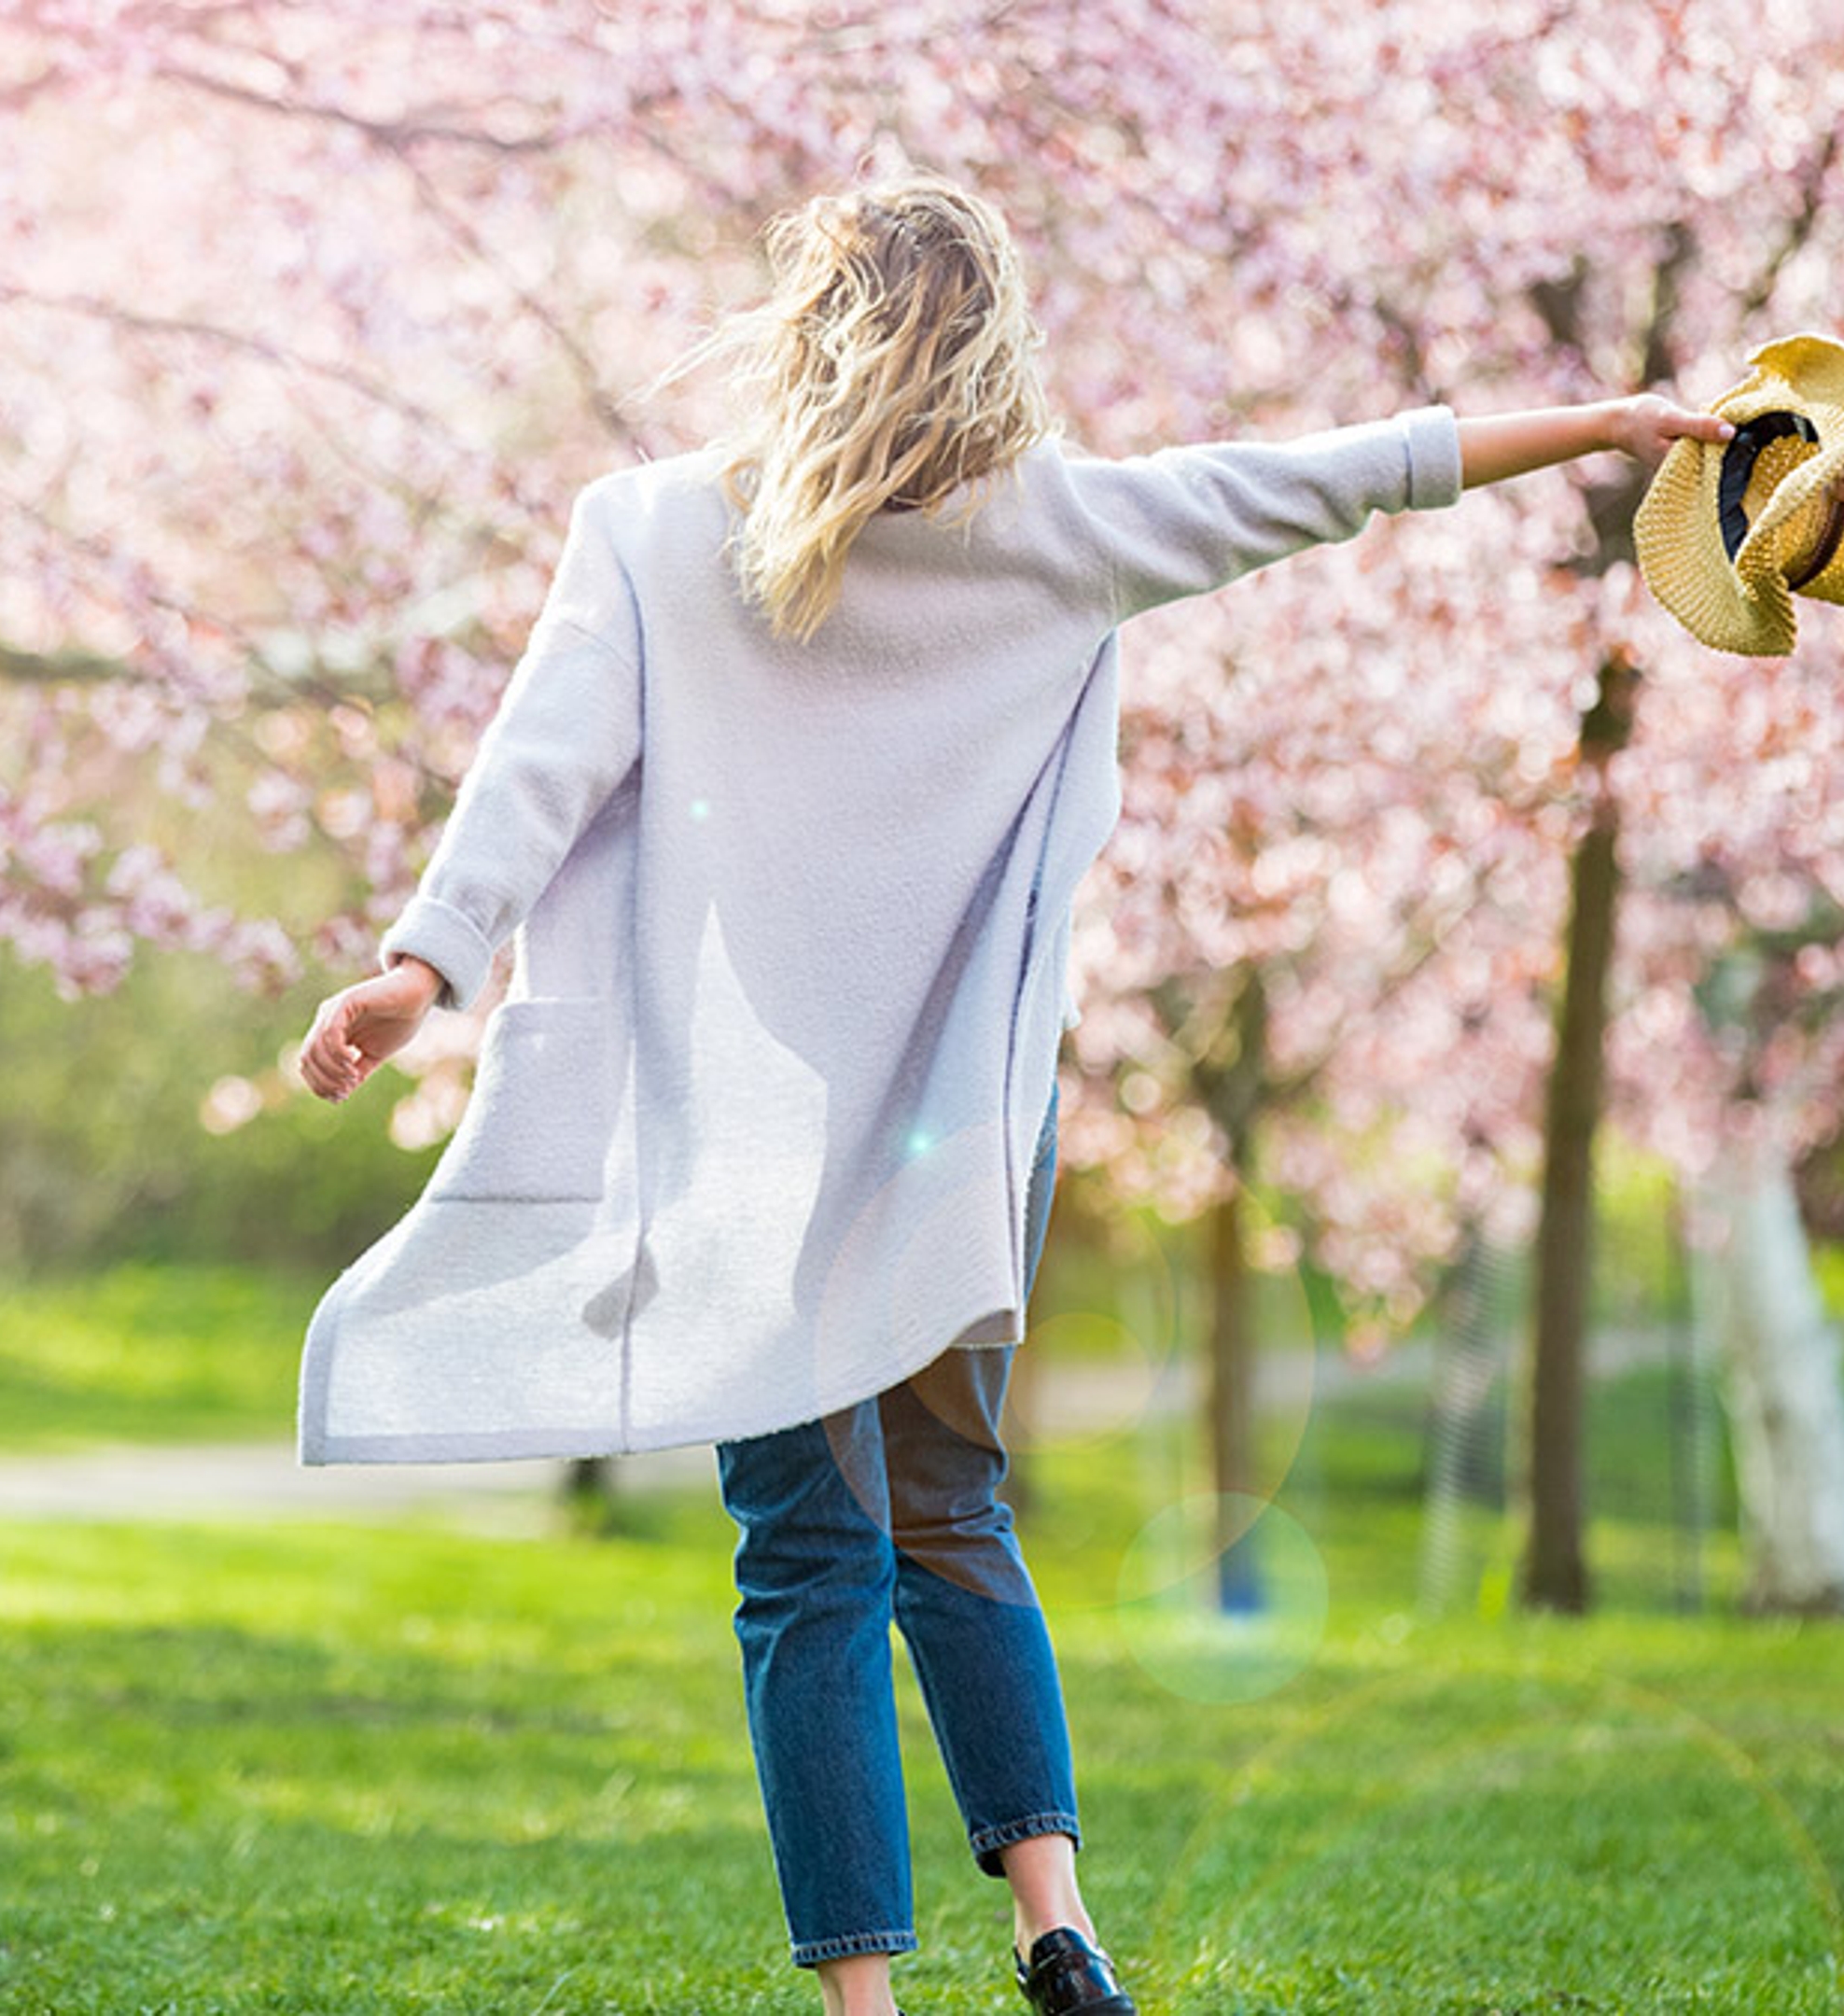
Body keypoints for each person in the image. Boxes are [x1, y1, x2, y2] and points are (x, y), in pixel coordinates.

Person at [293, 170, 1731, 2016]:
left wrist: (424, 962)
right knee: (955, 1505)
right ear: (992, 345)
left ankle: (867, 2006)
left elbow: (535, 777)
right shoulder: (1061, 531)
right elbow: (1342, 472)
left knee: (810, 1556)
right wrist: (1609, 426)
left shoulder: (654, 534)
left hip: (755, 1143)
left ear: (806, 334)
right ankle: (1057, 1924)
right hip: (964, 1128)